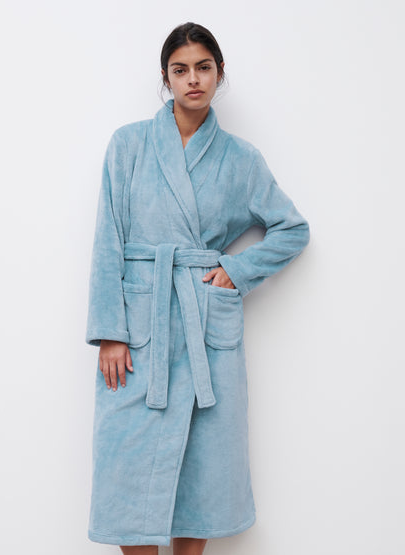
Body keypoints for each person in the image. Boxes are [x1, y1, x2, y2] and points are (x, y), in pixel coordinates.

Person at [85, 21, 310, 555]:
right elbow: (108, 240)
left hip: (205, 326)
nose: (193, 79)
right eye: (181, 69)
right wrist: (110, 331)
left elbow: (293, 229)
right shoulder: (129, 145)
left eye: (203, 68)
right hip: (140, 326)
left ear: (219, 73)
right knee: (126, 460)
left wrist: (238, 270)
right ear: (165, 77)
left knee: (204, 461)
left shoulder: (241, 159)